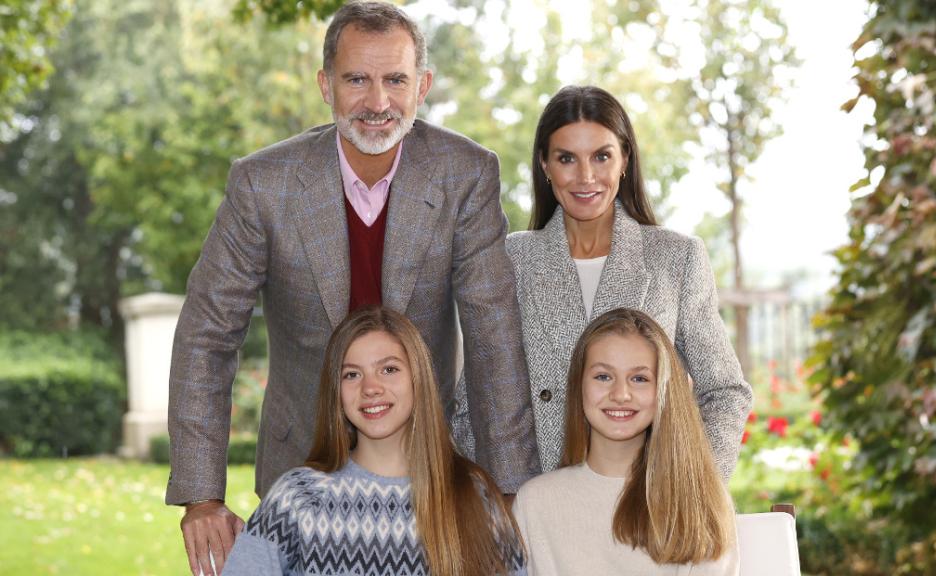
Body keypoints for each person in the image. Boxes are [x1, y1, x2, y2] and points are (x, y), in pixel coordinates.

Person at [168, 3, 540, 575]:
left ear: (423, 86)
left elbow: (495, 336)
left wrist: (511, 490)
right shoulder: (262, 184)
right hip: (301, 462)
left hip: (428, 472)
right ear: (325, 85)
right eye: (356, 80)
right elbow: (207, 335)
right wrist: (202, 494)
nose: (376, 102)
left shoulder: (466, 173)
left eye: (395, 80)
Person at [454, 85, 751, 475]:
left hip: (647, 505)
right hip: (537, 508)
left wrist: (692, 491)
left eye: (601, 156)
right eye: (566, 158)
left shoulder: (675, 259)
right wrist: (506, 502)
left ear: (625, 158)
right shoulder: (511, 261)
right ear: (544, 164)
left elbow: (725, 391)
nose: (585, 176)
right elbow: (473, 402)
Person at [222, 307, 526, 575]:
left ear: (418, 380)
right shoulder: (297, 498)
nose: (370, 387)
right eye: (351, 375)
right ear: (336, 394)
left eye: (389, 369)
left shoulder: (474, 494)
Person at [512, 308, 738, 575]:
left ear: (663, 390)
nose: (620, 394)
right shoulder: (534, 502)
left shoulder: (699, 500)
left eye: (639, 379)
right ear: (579, 384)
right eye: (603, 376)